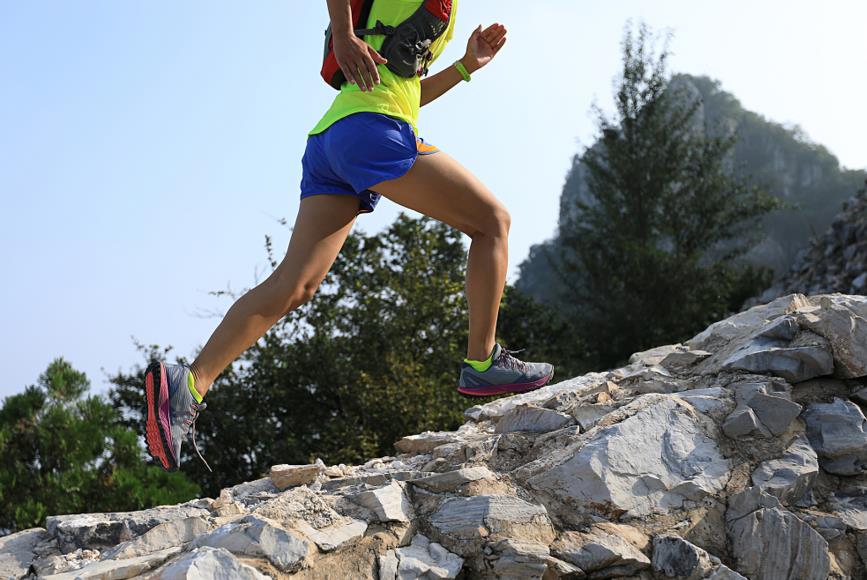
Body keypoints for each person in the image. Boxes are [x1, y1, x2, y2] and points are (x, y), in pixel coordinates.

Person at [143, 0, 554, 472]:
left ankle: (190, 384)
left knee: (296, 284)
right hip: (373, 130)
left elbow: (407, 89)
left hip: (334, 138)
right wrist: (342, 32)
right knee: (493, 222)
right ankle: (482, 363)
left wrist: (465, 66)